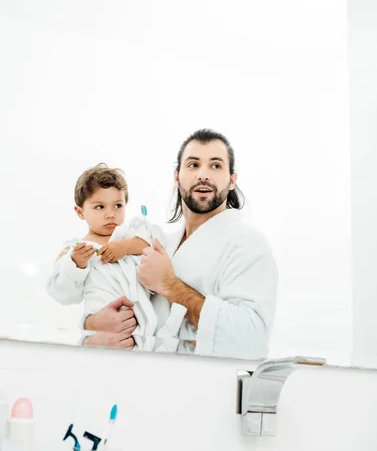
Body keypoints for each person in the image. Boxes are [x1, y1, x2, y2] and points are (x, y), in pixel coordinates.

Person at [84, 129, 278, 359]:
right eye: (193, 165)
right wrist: (92, 325)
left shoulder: (248, 244)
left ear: (232, 180)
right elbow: (114, 292)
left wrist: (169, 285)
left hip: (202, 388)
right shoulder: (160, 242)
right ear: (176, 177)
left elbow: (251, 337)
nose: (203, 174)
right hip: (140, 380)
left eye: (216, 166)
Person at [46, 163, 164, 349]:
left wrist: (124, 247)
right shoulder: (75, 250)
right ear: (80, 212)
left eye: (118, 205)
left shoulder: (131, 233)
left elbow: (154, 240)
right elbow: (62, 294)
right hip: (101, 332)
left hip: (142, 329)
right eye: (100, 207)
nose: (111, 214)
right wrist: (76, 265)